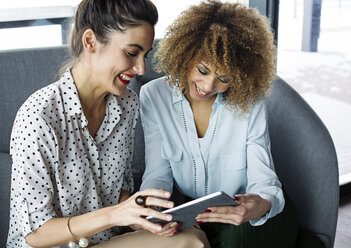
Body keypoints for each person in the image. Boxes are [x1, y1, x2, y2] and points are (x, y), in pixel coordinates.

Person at [7, 0, 209, 247]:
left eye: (145, 55)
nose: (141, 68)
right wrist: (115, 215)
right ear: (90, 41)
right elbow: (35, 234)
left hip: (102, 241)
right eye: (131, 53)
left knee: (191, 238)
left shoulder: (127, 105)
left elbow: (115, 192)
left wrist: (145, 217)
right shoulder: (39, 117)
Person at [139, 0, 299, 247]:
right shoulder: (153, 96)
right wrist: (155, 210)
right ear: (186, 53)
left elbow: (264, 182)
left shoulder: (250, 104)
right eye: (203, 70)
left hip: (252, 216)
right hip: (196, 214)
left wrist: (260, 205)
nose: (208, 86)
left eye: (223, 78)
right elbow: (158, 174)